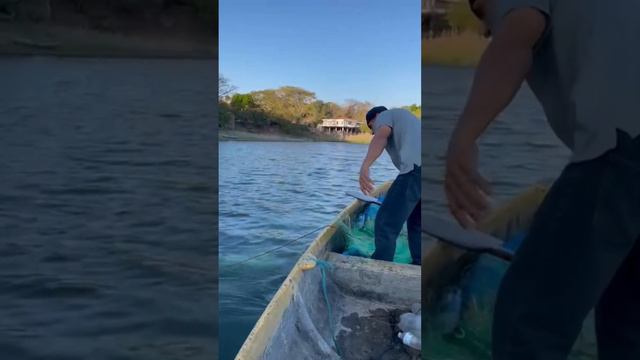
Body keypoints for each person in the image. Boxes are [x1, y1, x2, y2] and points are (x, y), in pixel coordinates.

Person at [445, 0, 640, 359]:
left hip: (625, 149)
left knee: (529, 318)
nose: (489, 29)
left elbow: (520, 29)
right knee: (627, 317)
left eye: (482, 16)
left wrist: (463, 137)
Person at [359, 106, 421, 265]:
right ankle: (419, 265)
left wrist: (365, 165)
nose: (374, 132)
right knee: (417, 224)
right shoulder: (411, 121)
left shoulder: (385, 116)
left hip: (416, 171)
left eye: (372, 127)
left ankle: (380, 267)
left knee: (385, 223)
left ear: (376, 117)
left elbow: (381, 136)